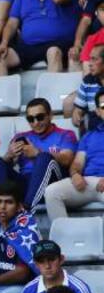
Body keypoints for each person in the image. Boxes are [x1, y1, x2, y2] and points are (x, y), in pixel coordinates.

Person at [0, 98, 76, 210]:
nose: (36, 122)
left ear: (50, 115)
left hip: (51, 184)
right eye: (31, 119)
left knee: (43, 158)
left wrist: (37, 153)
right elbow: (7, 165)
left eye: (40, 117)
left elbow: (67, 160)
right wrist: (9, 155)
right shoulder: (21, 137)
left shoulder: (65, 134)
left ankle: (26, 209)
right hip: (25, 183)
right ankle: (3, 207)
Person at [44, 88, 104, 220]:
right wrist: (75, 174)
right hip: (88, 182)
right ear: (98, 112)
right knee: (52, 192)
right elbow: (77, 162)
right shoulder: (89, 136)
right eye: (103, 106)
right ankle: (63, 232)